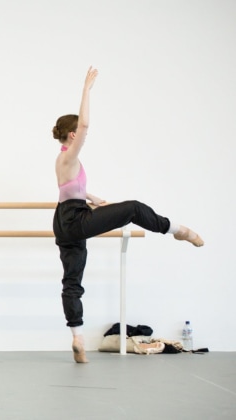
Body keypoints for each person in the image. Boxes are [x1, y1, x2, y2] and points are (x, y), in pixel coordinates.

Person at [51, 67, 203, 363]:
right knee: (132, 208)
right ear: (72, 134)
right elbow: (84, 127)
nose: (83, 135)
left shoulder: (62, 160)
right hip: (74, 219)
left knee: (72, 283)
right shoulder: (71, 154)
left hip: (63, 221)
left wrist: (92, 196)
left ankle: (78, 339)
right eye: (79, 133)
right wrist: (86, 89)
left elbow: (68, 190)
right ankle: (177, 230)